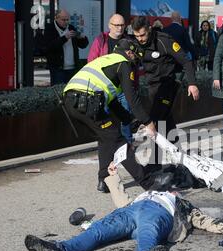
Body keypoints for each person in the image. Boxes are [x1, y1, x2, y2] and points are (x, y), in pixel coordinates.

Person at [24, 173, 223, 251]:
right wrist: (112, 178)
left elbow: (205, 221)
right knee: (98, 231)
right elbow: (121, 198)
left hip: (158, 214)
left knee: (148, 233)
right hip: (131, 211)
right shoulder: (147, 193)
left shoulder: (181, 202)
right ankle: (60, 250)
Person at [62, 39, 159, 193]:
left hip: (71, 101)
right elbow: (131, 98)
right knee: (118, 140)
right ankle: (148, 183)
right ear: (129, 53)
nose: (135, 61)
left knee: (105, 137)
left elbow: (112, 101)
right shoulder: (123, 63)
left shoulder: (106, 60)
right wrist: (148, 122)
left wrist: (129, 119)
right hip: (87, 102)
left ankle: (104, 181)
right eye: (135, 56)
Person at [131, 16, 199, 148]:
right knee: (166, 122)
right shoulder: (135, 43)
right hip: (152, 88)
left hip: (167, 86)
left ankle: (154, 163)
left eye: (142, 35)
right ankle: (179, 158)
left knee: (154, 122)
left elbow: (186, 61)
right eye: (137, 36)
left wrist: (192, 83)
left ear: (149, 29)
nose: (140, 39)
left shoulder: (164, 41)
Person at [88, 14, 133, 143]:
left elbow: (134, 65)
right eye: (116, 25)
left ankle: (128, 146)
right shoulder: (101, 40)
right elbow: (91, 61)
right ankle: (108, 145)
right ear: (110, 25)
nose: (120, 28)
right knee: (105, 119)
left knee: (126, 118)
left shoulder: (128, 41)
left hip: (122, 88)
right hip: (105, 87)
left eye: (122, 25)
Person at [43, 9, 89, 85]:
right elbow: (49, 47)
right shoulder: (50, 29)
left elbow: (83, 45)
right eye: (63, 20)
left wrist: (82, 38)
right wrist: (64, 38)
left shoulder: (71, 27)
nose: (66, 22)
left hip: (73, 68)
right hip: (58, 69)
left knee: (72, 91)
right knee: (59, 91)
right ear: (56, 18)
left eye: (68, 20)